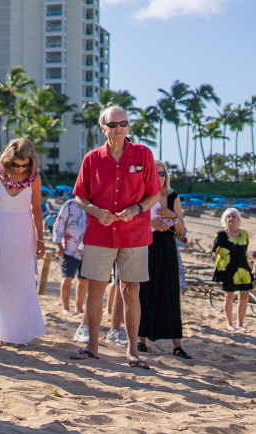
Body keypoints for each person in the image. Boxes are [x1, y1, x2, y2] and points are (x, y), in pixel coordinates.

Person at [70, 105, 161, 368]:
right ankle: (92, 346)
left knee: (131, 290)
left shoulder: (143, 154)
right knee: (96, 289)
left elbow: (154, 193)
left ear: (128, 126)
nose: (119, 128)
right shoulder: (91, 158)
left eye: (123, 123)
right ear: (103, 128)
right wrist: (96, 211)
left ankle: (132, 351)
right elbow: (80, 197)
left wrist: (138, 209)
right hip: (99, 233)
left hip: (135, 234)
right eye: (113, 124)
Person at [0, 138, 46, 346]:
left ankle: (21, 333)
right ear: (8, 160)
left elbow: (37, 210)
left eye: (25, 165)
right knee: (0, 280)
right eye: (16, 164)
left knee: (22, 281)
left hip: (23, 232)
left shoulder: (34, 178)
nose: (21, 169)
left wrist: (40, 239)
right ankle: (3, 332)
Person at [137, 160, 191, 358]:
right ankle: (141, 340)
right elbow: (132, 221)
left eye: (163, 173)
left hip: (168, 248)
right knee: (145, 292)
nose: (160, 177)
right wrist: (151, 223)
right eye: (156, 173)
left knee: (170, 293)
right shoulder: (141, 195)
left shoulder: (173, 196)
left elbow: (182, 232)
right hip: (146, 245)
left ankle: (177, 345)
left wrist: (173, 217)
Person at [213, 208, 253, 332]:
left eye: (233, 216)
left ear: (238, 219)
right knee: (229, 297)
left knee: (244, 297)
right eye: (228, 217)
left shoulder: (244, 234)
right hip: (228, 269)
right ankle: (229, 323)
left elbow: (245, 251)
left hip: (243, 269)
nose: (231, 219)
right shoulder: (220, 235)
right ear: (225, 219)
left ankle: (240, 324)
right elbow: (215, 253)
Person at [53, 197, 88, 317]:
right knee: (67, 277)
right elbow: (59, 223)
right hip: (69, 248)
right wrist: (58, 244)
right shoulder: (70, 204)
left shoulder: (93, 206)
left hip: (87, 250)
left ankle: (79, 307)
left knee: (84, 279)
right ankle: (65, 308)